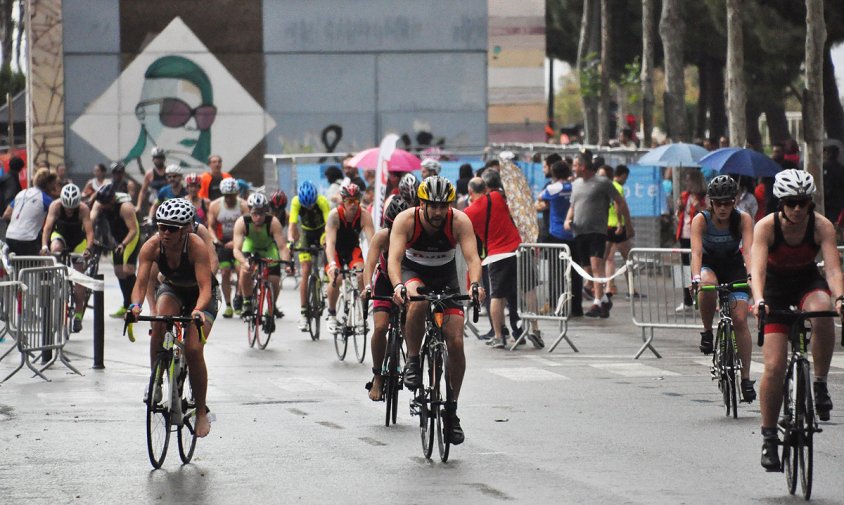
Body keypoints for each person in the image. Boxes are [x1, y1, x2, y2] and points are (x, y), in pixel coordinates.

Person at [750, 169, 843, 470]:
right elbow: (758, 271)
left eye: (803, 202)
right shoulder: (766, 227)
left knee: (824, 308)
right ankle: (768, 438)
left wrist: (841, 297)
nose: (798, 209)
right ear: (781, 203)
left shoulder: (821, 227)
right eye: (791, 203)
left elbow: (831, 270)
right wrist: (759, 299)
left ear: (810, 203)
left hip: (806, 281)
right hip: (774, 289)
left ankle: (819, 383)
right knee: (774, 366)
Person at [388, 175, 485, 445]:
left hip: (446, 277)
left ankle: (452, 410)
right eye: (434, 206)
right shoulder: (406, 220)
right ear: (422, 204)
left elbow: (472, 258)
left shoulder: (459, 221)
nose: (439, 212)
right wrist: (397, 286)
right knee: (417, 301)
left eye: (444, 206)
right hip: (413, 273)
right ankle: (414, 360)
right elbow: (394, 260)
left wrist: (475, 284)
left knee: (455, 342)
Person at [127, 198, 217, 439]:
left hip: (201, 295)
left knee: (194, 349)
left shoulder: (196, 245)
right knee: (159, 322)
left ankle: (200, 412)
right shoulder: (152, 246)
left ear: (186, 229)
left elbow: (206, 287)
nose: (165, 233)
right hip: (173, 288)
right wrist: (135, 306)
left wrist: (198, 309)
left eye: (172, 228)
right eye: (161, 226)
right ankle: (155, 379)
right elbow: (141, 282)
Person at [689, 175, 755, 400]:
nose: (723, 208)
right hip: (709, 265)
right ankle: (707, 331)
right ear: (711, 203)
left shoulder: (743, 219)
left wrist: (751, 277)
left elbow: (748, 251)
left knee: (740, 320)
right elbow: (696, 252)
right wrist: (695, 278)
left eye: (728, 203)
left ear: (734, 202)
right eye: (718, 203)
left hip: (733, 266)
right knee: (707, 285)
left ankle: (746, 379)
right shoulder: (701, 220)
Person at [465, 177, 540, 349]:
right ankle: (535, 329)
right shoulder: (496, 198)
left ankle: (499, 335)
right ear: (485, 188)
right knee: (529, 290)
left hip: (497, 255)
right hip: (519, 250)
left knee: (497, 296)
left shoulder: (470, 212)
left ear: (470, 192)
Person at [564, 151, 633, 318]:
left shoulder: (603, 183)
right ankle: (603, 300)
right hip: (579, 232)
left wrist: (626, 224)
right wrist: (568, 220)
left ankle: (596, 303)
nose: (573, 169)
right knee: (586, 270)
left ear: (582, 166)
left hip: (597, 231)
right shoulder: (576, 184)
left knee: (596, 267)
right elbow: (573, 205)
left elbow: (619, 202)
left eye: (575, 165)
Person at [125, 55, 217, 170]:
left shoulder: (200, 175)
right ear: (142, 114)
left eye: (203, 115)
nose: (192, 126)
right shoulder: (127, 170)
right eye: (176, 112)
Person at [362, 197, 409, 401]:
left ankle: (412, 362)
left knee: (411, 324)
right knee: (380, 328)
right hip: (384, 280)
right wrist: (367, 286)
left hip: (406, 279)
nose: (394, 231)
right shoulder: (381, 237)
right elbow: (370, 264)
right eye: (390, 226)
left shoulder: (415, 237)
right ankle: (377, 376)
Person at [40, 184, 95, 332]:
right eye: (67, 208)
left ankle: (77, 315)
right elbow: (47, 228)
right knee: (55, 248)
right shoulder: (55, 206)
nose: (70, 211)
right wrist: (45, 246)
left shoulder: (83, 209)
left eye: (72, 208)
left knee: (79, 275)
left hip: (78, 240)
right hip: (61, 236)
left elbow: (89, 232)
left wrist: (88, 249)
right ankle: (53, 277)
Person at [232, 193, 291, 323]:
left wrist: (287, 263)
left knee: (275, 280)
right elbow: (236, 249)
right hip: (250, 247)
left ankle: (270, 308)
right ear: (249, 211)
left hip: (268, 249)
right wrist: (244, 262)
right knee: (246, 270)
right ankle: (247, 301)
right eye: (254, 214)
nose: (258, 217)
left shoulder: (273, 222)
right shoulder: (242, 222)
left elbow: (282, 247)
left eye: (261, 214)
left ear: (266, 212)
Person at [325, 183, 375, 332]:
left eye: (356, 201)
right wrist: (332, 264)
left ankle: (361, 315)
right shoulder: (334, 215)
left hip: (353, 249)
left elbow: (372, 243)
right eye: (349, 201)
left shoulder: (364, 215)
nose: (353, 205)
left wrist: (374, 263)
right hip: (335, 250)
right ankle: (332, 314)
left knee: (361, 276)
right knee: (337, 278)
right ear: (343, 201)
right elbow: (330, 243)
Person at [538, 160, 581, 316]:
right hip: (574, 233)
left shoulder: (552, 188)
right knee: (575, 273)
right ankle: (576, 307)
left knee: (556, 272)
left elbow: (540, 197)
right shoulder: (575, 186)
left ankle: (558, 306)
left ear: (553, 173)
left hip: (556, 234)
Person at [90, 184, 140, 318]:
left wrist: (123, 244)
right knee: (118, 271)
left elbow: (133, 230)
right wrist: (90, 236)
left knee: (128, 269)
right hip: (116, 238)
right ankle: (126, 305)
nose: (104, 207)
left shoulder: (125, 207)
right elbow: (91, 220)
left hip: (130, 237)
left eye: (106, 204)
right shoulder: (100, 203)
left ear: (112, 200)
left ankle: (135, 304)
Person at [288, 180, 331, 330]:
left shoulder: (322, 201)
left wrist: (327, 240)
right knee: (305, 271)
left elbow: (329, 225)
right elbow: (292, 226)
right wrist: (291, 242)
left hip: (321, 230)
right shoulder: (295, 202)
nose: (309, 207)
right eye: (306, 205)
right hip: (306, 232)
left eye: (311, 204)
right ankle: (304, 313)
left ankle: (326, 278)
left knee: (327, 245)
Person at [207, 178, 248, 318]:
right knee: (224, 272)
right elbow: (210, 226)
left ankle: (239, 297)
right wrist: (215, 239)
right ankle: (228, 305)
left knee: (240, 269)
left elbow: (248, 228)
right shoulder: (215, 205)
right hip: (222, 243)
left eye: (232, 195)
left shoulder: (243, 205)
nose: (229, 198)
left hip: (239, 241)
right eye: (226, 195)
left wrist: (237, 241)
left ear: (237, 193)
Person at [2, 168, 58, 255]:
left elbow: (6, 214)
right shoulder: (45, 199)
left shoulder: (21, 193)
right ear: (48, 184)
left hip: (10, 236)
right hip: (28, 239)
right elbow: (57, 215)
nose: (54, 187)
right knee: (36, 266)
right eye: (53, 185)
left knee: (17, 266)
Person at [675, 169, 706, 310]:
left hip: (698, 235)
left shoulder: (704, 197)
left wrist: (698, 206)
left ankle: (702, 298)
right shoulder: (684, 196)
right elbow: (678, 216)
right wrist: (679, 208)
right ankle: (687, 299)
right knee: (685, 268)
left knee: (699, 267)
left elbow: (708, 215)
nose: (687, 183)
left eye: (689, 180)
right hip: (684, 235)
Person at [604, 165, 633, 296]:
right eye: (625, 177)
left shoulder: (608, 186)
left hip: (608, 225)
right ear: (621, 175)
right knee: (629, 257)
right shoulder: (618, 187)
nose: (626, 180)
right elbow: (618, 205)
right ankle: (632, 290)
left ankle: (608, 287)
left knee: (608, 258)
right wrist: (622, 224)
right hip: (617, 226)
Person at [135, 147, 169, 214]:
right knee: (152, 221)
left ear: (164, 159)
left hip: (167, 204)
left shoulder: (169, 172)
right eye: (156, 158)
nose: (158, 160)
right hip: (154, 204)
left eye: (160, 157)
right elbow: (143, 191)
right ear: (153, 159)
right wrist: (138, 206)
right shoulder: (149, 173)